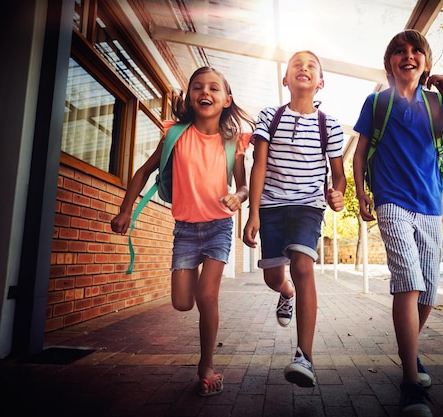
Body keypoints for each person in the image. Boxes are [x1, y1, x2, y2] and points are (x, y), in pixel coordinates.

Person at [352, 30, 443, 416]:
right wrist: (362, 194)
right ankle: (411, 382)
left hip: (430, 205)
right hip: (392, 201)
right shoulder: (377, 103)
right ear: (390, 62)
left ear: (425, 61)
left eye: (416, 51)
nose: (408, 56)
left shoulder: (435, 103)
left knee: (428, 292)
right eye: (400, 51)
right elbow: (359, 155)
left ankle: (410, 352)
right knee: (408, 282)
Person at [111, 66, 255, 397]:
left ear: (226, 99)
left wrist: (238, 197)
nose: (205, 92)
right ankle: (201, 337)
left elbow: (245, 186)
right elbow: (143, 171)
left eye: (214, 88)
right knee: (181, 302)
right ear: (190, 96)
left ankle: (206, 366)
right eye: (198, 87)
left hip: (219, 226)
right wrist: (125, 210)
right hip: (185, 231)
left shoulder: (233, 142)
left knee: (207, 295)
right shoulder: (174, 135)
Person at [242, 50, 346, 388]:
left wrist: (338, 193)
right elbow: (258, 165)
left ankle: (305, 356)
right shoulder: (269, 115)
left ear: (321, 82)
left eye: (312, 65)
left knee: (303, 266)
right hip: (271, 206)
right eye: (296, 65)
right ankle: (285, 292)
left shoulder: (328, 124)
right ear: (285, 79)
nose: (304, 68)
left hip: (307, 206)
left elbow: (338, 175)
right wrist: (253, 212)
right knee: (275, 276)